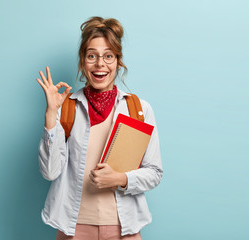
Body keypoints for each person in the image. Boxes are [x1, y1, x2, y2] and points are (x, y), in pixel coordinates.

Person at [36, 16, 163, 240]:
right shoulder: (67, 108)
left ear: (118, 61)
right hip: (73, 228)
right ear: (83, 61)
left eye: (108, 56)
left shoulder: (138, 109)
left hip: (123, 228)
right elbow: (50, 172)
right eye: (92, 56)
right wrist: (50, 115)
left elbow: (154, 173)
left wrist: (120, 179)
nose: (100, 64)